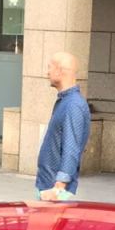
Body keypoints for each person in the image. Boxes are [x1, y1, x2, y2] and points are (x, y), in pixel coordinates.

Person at [35, 52, 90, 201]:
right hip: (49, 186)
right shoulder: (67, 102)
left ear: (59, 71)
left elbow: (71, 148)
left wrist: (58, 188)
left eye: (49, 68)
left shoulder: (73, 105)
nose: (47, 72)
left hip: (55, 192)